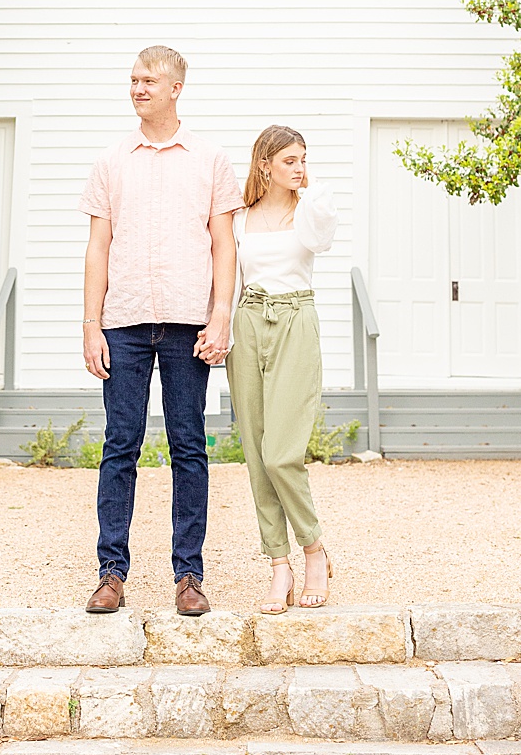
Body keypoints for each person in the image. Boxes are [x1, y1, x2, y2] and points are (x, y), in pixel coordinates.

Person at [79, 46, 242, 617]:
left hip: (186, 323)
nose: (137, 88)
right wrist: (91, 324)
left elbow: (224, 243)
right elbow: (98, 247)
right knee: (119, 446)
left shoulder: (210, 159)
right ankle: (110, 572)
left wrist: (221, 313)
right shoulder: (111, 160)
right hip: (122, 323)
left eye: (148, 80)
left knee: (188, 448)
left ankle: (189, 576)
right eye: (132, 80)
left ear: (175, 88)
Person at [229, 124, 338, 613]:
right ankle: (279, 566)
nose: (299, 168)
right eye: (290, 161)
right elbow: (229, 279)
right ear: (264, 164)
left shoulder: (308, 208)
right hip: (248, 321)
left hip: (295, 318)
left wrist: (309, 189)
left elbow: (323, 241)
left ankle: (313, 549)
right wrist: (222, 332)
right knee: (256, 453)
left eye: (303, 159)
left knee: (282, 454)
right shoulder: (238, 217)